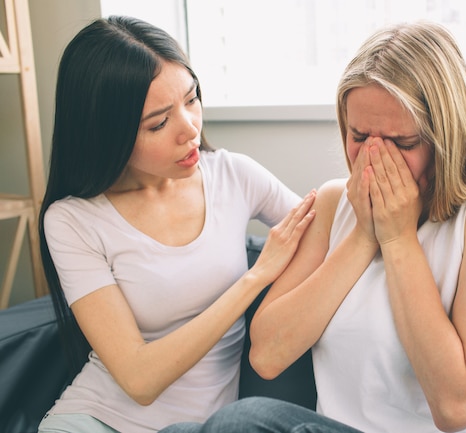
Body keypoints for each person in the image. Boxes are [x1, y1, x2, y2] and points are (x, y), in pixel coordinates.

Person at [177, 20, 466, 433]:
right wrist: (364, 234)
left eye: (402, 143)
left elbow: (455, 408)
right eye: (359, 135)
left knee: (243, 422)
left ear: (444, 138)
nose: (374, 159)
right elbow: (267, 356)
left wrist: (398, 238)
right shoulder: (333, 204)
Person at [37, 15, 316, 433]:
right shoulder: (73, 220)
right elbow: (139, 379)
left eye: (191, 99)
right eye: (159, 123)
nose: (189, 129)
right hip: (94, 420)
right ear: (107, 133)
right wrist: (254, 279)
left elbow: (328, 226)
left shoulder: (233, 176)